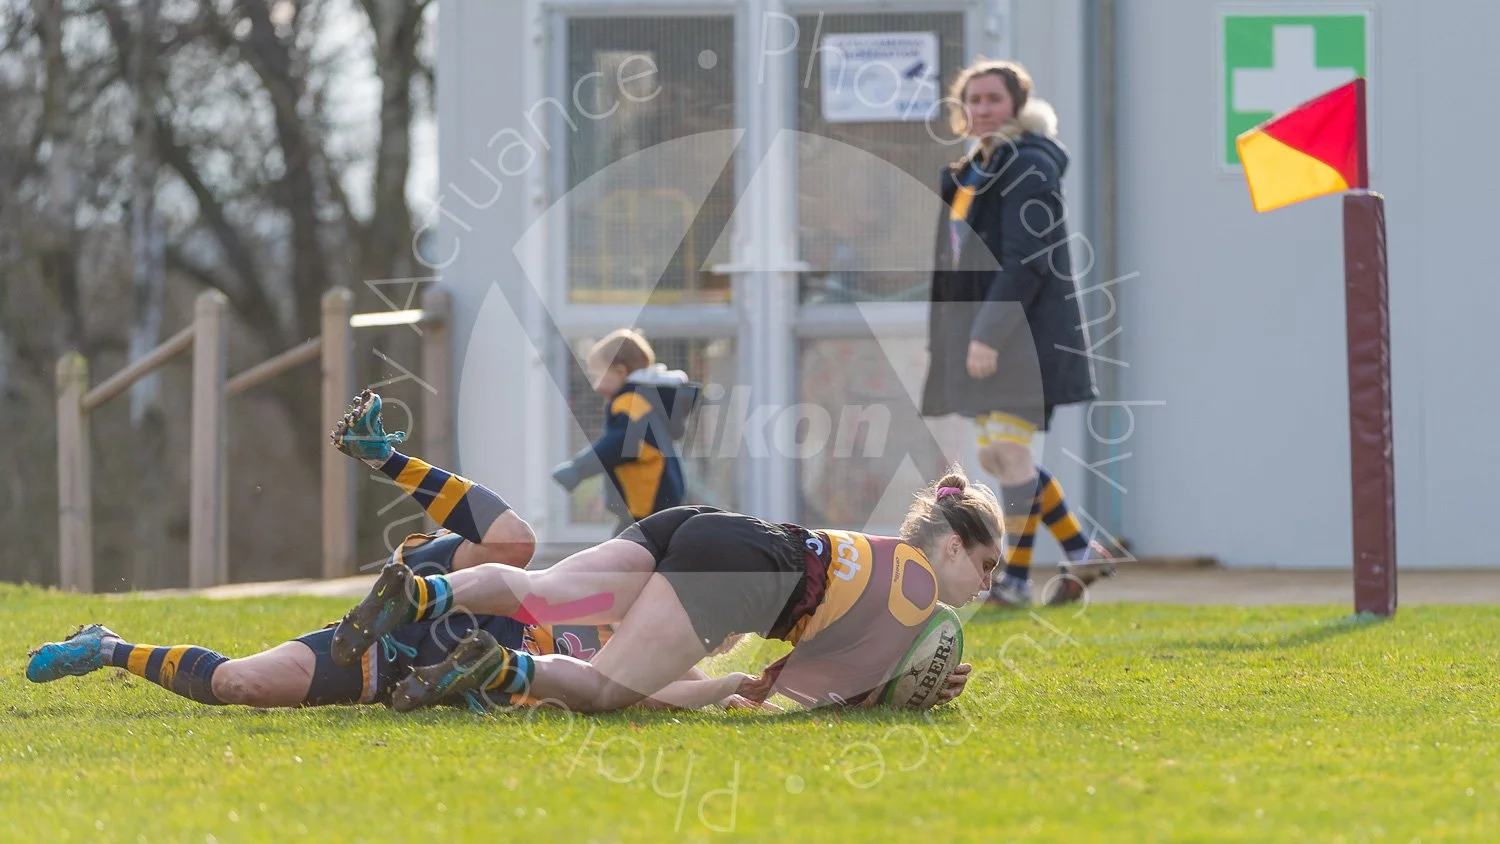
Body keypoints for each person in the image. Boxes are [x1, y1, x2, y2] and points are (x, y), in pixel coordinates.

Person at [24, 392, 754, 713]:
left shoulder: (653, 655)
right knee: (517, 544)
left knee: (239, 685)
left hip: (390, 663)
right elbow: (529, 568)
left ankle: (106, 646)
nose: (692, 629)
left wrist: (735, 686)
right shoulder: (608, 592)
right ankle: (384, 457)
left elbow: (665, 691)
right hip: (449, 593)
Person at [324, 401, 994, 713]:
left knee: (543, 591)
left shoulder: (881, 556)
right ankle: (500, 667)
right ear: (951, 546)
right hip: (739, 574)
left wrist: (901, 675)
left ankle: (425, 593)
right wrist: (911, 687)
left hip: (702, 526)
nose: (986, 585)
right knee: (605, 689)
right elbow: (811, 696)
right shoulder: (916, 592)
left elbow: (815, 673)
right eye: (986, 566)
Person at [918, 58, 1113, 608]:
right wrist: (951, 341)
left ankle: (1016, 581)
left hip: (1019, 336)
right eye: (973, 99)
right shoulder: (968, 171)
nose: (982, 109)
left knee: (1008, 454)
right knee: (1001, 460)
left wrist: (988, 333)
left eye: (994, 99)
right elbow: (955, 265)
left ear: (1017, 105)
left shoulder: (1029, 165)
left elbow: (1027, 260)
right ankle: (1080, 550)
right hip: (979, 336)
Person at [549, 329, 702, 536]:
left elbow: (619, 444)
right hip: (660, 497)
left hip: (647, 502)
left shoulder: (630, 402)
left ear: (621, 372)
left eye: (598, 376)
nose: (595, 386)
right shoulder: (649, 400)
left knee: (626, 549)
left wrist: (578, 469)